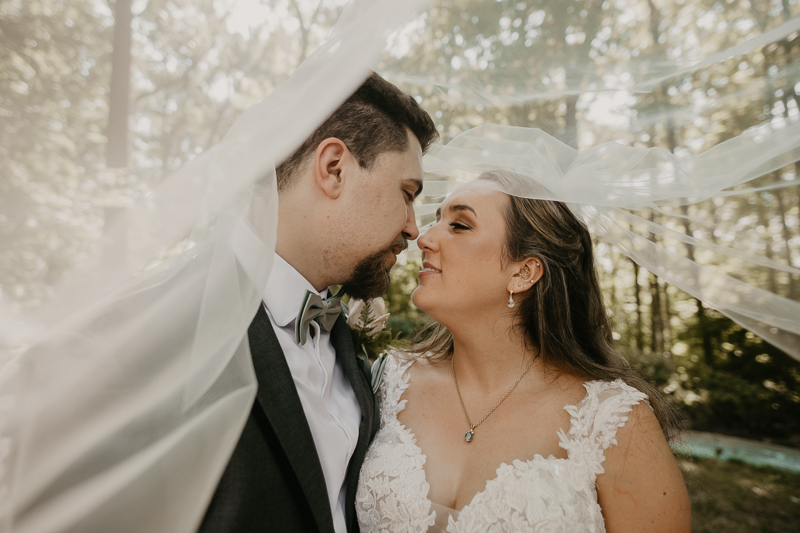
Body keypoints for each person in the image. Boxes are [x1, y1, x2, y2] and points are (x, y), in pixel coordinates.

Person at [356, 170, 692, 532]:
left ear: (524, 273)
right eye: (438, 220)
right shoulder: (387, 380)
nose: (424, 238)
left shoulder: (612, 421)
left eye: (460, 225)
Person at [199, 72, 437, 532]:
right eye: (407, 195)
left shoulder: (348, 345)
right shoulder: (179, 324)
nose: (413, 228)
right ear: (333, 168)